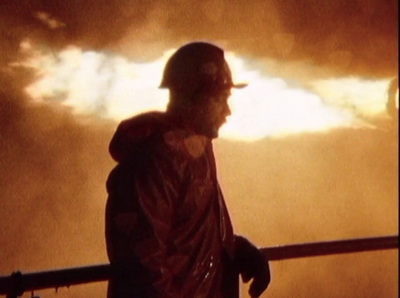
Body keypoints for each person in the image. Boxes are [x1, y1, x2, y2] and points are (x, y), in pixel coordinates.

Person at [105, 41, 270, 298]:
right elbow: (142, 266)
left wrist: (233, 250)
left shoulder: (196, 150)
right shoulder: (155, 162)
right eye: (220, 98)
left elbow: (187, 234)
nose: (227, 111)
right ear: (195, 96)